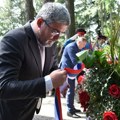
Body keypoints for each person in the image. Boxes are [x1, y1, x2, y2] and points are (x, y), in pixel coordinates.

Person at [0, 2, 71, 120]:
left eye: (61, 33)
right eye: (55, 31)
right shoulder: (14, 40)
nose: (57, 38)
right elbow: (4, 87)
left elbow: (49, 69)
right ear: (40, 22)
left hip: (29, 112)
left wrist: (63, 79)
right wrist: (48, 83)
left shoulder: (50, 42)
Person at [59, 37, 92, 117]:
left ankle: (72, 108)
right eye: (83, 44)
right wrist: (84, 67)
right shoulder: (71, 47)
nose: (84, 46)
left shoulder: (78, 47)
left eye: (85, 45)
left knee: (72, 90)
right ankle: (70, 111)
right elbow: (74, 61)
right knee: (70, 90)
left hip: (72, 71)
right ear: (79, 42)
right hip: (67, 70)